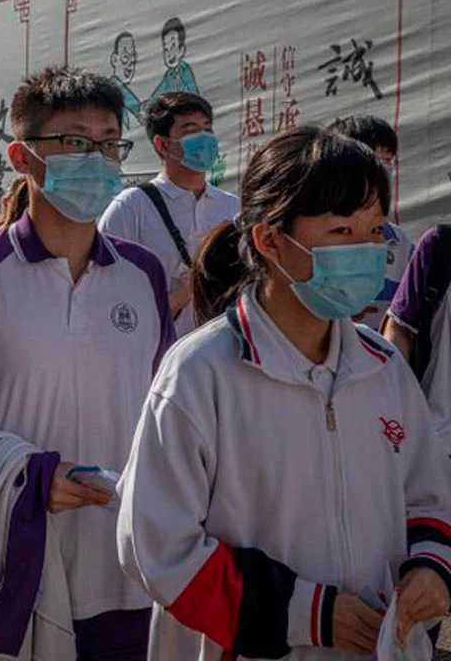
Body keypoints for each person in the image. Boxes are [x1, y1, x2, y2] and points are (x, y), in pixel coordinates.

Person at [119, 127, 451, 659]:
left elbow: (428, 498)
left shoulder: (383, 367)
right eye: (342, 231)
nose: (367, 253)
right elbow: (156, 546)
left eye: (374, 232)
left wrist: (430, 567)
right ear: (269, 240)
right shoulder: (200, 374)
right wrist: (310, 613)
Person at [0, 66, 174, 660]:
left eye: (108, 143)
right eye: (75, 142)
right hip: (6, 565)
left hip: (122, 568)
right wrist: (30, 477)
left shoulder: (144, 274)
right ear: (23, 155)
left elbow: (164, 419)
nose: (96, 158)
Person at [99, 93, 239, 335]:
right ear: (163, 144)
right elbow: (103, 290)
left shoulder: (233, 208)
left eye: (208, 129)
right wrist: (177, 298)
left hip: (224, 354)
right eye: (191, 130)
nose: (205, 139)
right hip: (155, 357)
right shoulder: (131, 207)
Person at [323, 115, 412, 331]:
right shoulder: (313, 233)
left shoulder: (400, 243)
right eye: (372, 158)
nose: (382, 170)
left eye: (388, 160)